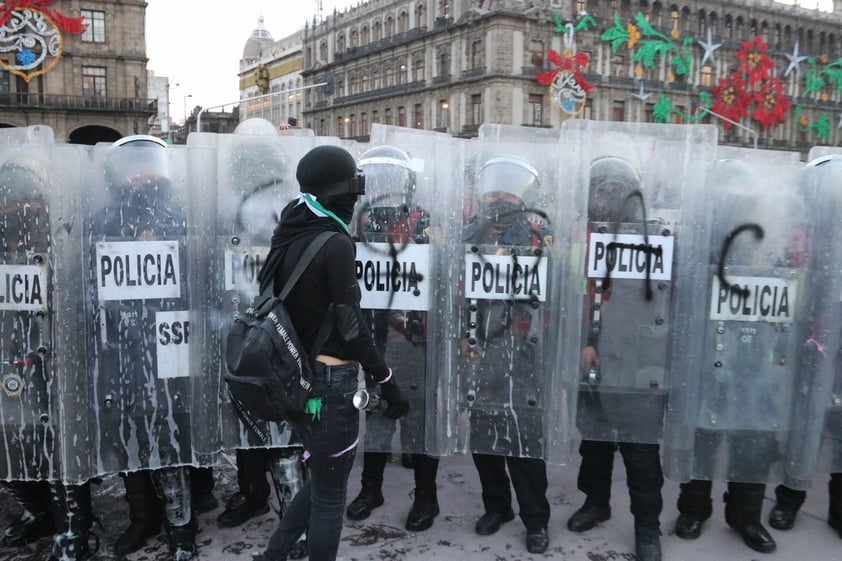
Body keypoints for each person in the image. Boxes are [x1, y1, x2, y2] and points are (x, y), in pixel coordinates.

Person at [252, 144, 408, 561]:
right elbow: (352, 329)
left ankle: (274, 555)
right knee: (329, 499)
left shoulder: (289, 231)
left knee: (322, 478)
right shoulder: (335, 244)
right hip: (330, 386)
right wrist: (387, 380)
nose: (357, 198)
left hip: (296, 380)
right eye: (352, 189)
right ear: (338, 192)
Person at [89, 135, 211, 561]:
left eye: (147, 165)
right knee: (128, 434)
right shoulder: (102, 220)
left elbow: (200, 282)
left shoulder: (180, 218)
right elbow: (91, 286)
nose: (140, 175)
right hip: (121, 345)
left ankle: (180, 525)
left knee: (169, 434)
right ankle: (143, 516)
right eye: (131, 167)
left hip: (168, 342)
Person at [0, 153, 98, 561]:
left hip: (51, 360)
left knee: (56, 445)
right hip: (10, 359)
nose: (22, 215)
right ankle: (38, 511)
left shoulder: (61, 245)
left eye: (30, 207)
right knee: (12, 442)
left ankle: (73, 525)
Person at [570, 151, 664, 561]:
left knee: (641, 451)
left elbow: (662, 304)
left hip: (639, 361)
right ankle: (597, 502)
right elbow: (576, 295)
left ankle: (648, 527)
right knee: (594, 442)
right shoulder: (581, 240)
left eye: (616, 189)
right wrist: (581, 341)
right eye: (601, 190)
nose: (608, 198)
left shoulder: (654, 238)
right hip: (592, 359)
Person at [344, 145, 440, 531]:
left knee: (418, 422)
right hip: (375, 336)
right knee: (379, 415)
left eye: (390, 180)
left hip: (416, 339)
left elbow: (442, 276)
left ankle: (427, 497)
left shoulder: (425, 224)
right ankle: (372, 488)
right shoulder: (357, 225)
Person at [460, 155, 551, 554]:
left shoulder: (539, 233)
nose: (498, 198)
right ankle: (496, 507)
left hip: (526, 351)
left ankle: (536, 519)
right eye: (492, 189)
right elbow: (456, 284)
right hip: (480, 350)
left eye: (506, 190)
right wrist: (465, 335)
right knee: (485, 435)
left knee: (524, 438)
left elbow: (557, 288)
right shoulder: (470, 232)